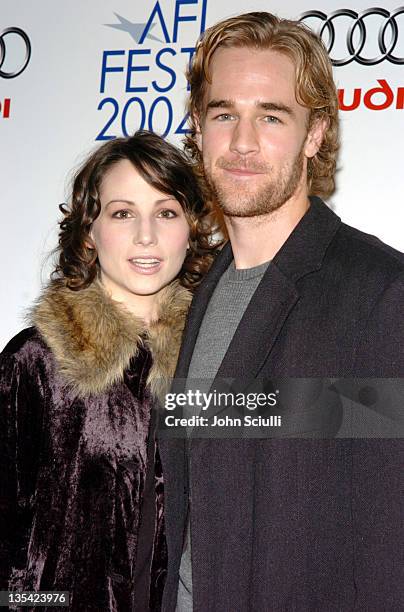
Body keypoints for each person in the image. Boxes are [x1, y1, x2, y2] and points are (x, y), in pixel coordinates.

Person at [158, 12, 404, 612]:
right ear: (198, 125)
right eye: (224, 115)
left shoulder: (379, 294)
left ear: (314, 134)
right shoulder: (188, 298)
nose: (242, 142)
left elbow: (389, 541)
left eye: (271, 116)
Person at [0, 130, 219, 611]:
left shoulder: (212, 364)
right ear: (89, 232)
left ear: (192, 229)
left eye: (167, 212)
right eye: (123, 213)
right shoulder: (35, 362)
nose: (147, 235)